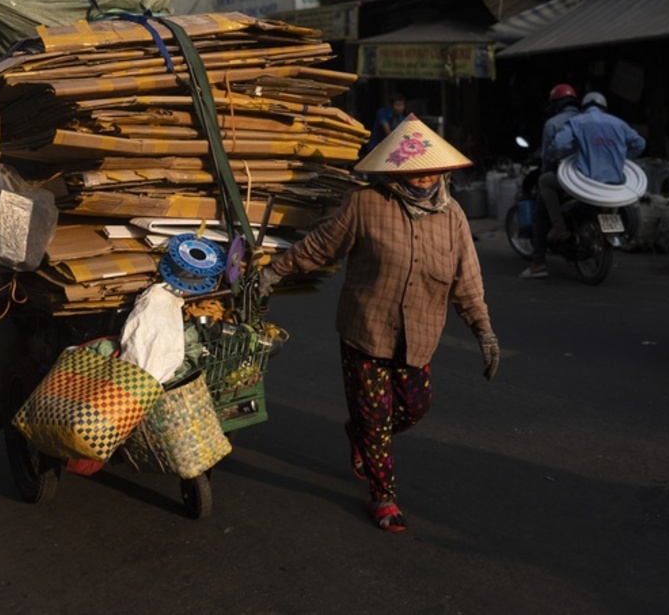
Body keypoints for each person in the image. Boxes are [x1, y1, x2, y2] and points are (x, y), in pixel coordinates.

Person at [256, 114, 500, 533]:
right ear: (397, 169)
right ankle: (383, 496)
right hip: (366, 328)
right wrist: (273, 273)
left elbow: (468, 283)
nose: (424, 178)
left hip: (419, 335)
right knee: (376, 419)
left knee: (414, 408)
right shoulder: (366, 203)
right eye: (414, 169)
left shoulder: (454, 217)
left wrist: (485, 332)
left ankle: (361, 433)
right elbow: (321, 245)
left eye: (431, 169)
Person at [530, 91, 644, 254]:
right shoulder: (619, 123)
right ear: (604, 107)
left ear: (583, 107)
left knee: (545, 181)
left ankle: (559, 227)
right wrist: (621, 158)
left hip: (586, 182)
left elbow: (558, 146)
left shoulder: (577, 122)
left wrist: (554, 157)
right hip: (615, 184)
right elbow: (639, 143)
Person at [520, 84, 581, 279]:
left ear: (556, 105)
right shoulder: (585, 120)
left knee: (540, 215)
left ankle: (538, 263)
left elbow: (548, 156)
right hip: (588, 179)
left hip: (562, 178)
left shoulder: (553, 123)